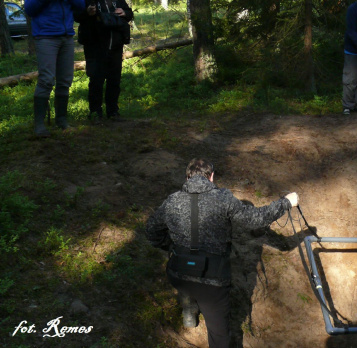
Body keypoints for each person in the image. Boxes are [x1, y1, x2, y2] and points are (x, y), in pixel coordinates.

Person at [146, 158, 298, 348]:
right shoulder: (223, 199)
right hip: (213, 282)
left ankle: (189, 312)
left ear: (187, 177)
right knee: (219, 335)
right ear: (211, 177)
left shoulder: (172, 200)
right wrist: (285, 203)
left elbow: (151, 231)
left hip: (178, 273)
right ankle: (193, 308)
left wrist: (172, 247)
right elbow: (256, 219)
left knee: (188, 276)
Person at [24, 0, 85, 137]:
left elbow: (81, 5)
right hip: (45, 36)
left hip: (67, 36)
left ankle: (62, 120)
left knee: (65, 80)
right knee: (46, 80)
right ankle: (39, 125)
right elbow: (29, 9)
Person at [75, 0, 133, 122]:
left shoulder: (117, 1)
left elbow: (129, 14)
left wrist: (124, 13)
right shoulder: (88, 1)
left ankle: (113, 111)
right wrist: (88, 13)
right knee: (96, 80)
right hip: (95, 47)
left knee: (114, 79)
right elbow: (77, 16)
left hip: (116, 46)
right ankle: (95, 113)